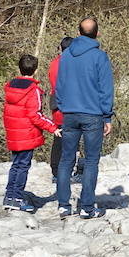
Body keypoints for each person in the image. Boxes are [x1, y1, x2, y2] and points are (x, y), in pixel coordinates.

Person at [54, 17, 115, 219]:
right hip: (93, 115)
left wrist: (63, 107)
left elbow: (59, 86)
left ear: (78, 33)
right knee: (90, 161)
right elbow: (106, 89)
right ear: (97, 34)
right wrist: (107, 116)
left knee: (66, 160)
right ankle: (86, 207)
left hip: (69, 114)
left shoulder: (66, 56)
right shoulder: (100, 56)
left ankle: (64, 205)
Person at [2, 54, 59, 213]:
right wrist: (53, 127)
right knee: (23, 166)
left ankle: (9, 196)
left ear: (19, 68)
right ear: (36, 70)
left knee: (16, 165)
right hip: (26, 133)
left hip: (14, 132)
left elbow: (7, 112)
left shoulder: (10, 86)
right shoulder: (33, 90)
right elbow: (36, 115)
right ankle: (17, 199)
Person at [47, 36, 82, 182]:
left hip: (56, 104)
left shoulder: (54, 63)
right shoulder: (73, 64)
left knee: (58, 138)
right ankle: (67, 172)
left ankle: (56, 171)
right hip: (71, 105)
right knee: (72, 140)